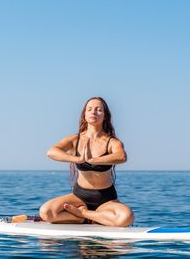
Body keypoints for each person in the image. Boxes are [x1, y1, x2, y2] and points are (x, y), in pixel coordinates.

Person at [39, 97, 134, 227]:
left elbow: (121, 157)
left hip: (106, 200)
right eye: (89, 109)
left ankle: (83, 214)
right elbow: (51, 152)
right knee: (46, 212)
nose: (93, 112)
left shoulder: (111, 142)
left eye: (98, 110)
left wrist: (94, 160)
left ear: (105, 116)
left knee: (126, 218)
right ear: (85, 114)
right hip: (79, 197)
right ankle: (89, 219)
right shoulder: (74, 139)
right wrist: (77, 159)